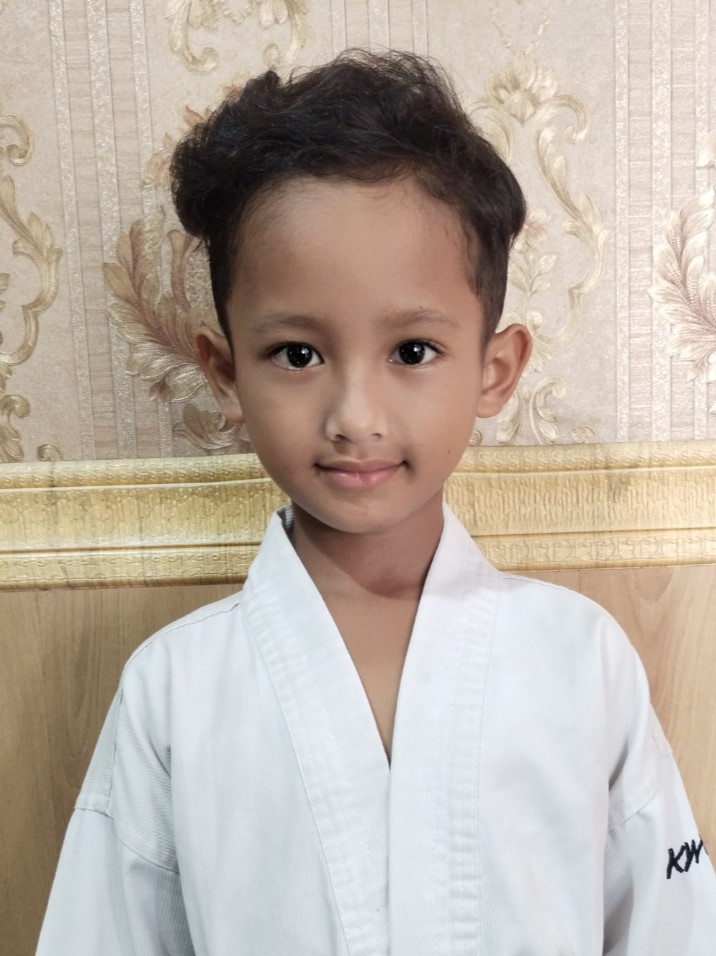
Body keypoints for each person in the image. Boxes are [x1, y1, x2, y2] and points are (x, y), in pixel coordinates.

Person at [37, 51, 716, 955]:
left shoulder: (580, 659)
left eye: (413, 352)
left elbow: (673, 929)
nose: (355, 416)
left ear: (495, 369)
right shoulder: (175, 691)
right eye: (298, 355)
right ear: (225, 372)